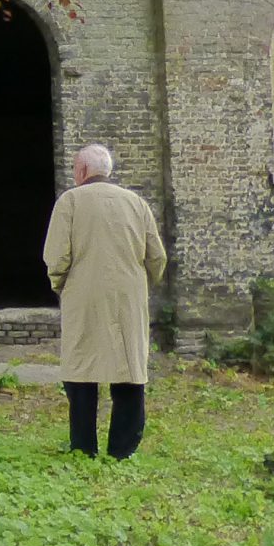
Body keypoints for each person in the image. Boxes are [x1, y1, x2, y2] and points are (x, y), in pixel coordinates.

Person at [42, 143, 168, 459]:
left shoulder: (69, 202)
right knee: (128, 368)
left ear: (82, 171)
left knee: (82, 369)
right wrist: (141, 285)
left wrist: (61, 285)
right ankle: (122, 448)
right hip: (128, 296)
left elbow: (56, 257)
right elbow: (157, 257)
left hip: (83, 296)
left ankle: (84, 446)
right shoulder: (137, 203)